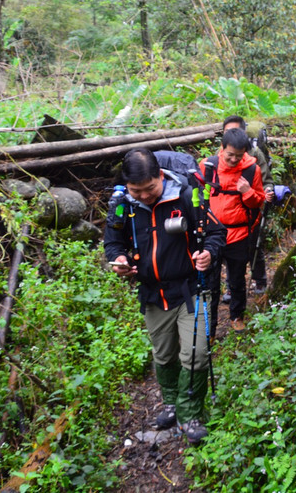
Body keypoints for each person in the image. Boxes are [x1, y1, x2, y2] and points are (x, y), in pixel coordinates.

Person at [104, 148, 226, 444]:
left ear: (161, 176)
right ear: (127, 185)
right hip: (152, 294)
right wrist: (119, 259)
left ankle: (189, 414)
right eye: (137, 190)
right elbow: (113, 240)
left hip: (190, 289)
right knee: (164, 354)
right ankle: (171, 402)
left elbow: (216, 232)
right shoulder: (122, 205)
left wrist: (208, 253)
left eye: (150, 188)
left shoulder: (186, 196)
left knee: (196, 353)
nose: (144, 195)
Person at [200, 127, 265, 334]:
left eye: (238, 156)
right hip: (211, 236)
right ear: (222, 148)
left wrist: (247, 192)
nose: (233, 160)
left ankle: (237, 315)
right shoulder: (207, 166)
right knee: (210, 283)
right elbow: (196, 198)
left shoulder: (251, 170)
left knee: (236, 279)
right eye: (230, 155)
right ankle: (209, 326)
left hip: (238, 235)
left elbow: (258, 203)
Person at [221, 115, 274, 299]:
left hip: (250, 209)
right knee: (230, 252)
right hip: (228, 214)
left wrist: (267, 191)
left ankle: (259, 278)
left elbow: (266, 180)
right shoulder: (219, 156)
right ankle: (231, 286)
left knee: (252, 246)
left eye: (236, 129)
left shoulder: (254, 154)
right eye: (228, 131)